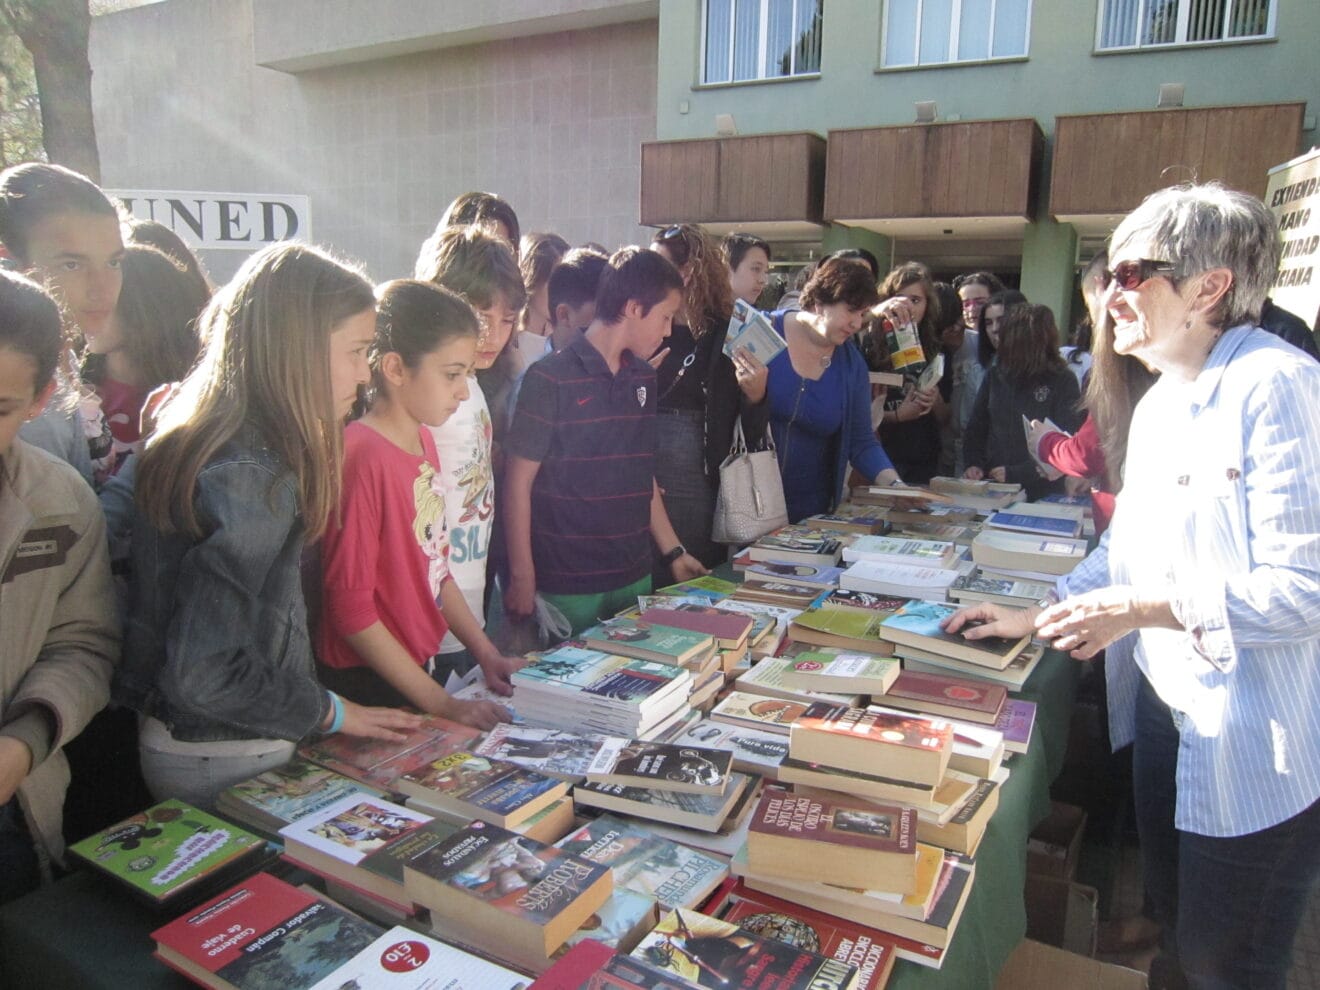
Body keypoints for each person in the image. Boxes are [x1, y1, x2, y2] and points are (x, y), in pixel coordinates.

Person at [946, 183, 1320, 990]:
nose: (1109, 295)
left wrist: (1146, 610)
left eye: (1132, 272)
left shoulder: (1280, 386)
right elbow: (1127, 547)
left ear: (1210, 286)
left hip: (1254, 737)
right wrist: (1032, 613)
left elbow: (1305, 587)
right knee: (1182, 940)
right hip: (1168, 708)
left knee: (1232, 962)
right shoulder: (1161, 401)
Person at [113, 243, 421, 811]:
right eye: (355, 351)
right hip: (226, 749)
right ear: (294, 348)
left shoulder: (205, 434)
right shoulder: (252, 472)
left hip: (193, 740)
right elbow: (204, 671)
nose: (363, 373)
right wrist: (332, 711)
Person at [318, 280, 516, 724]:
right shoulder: (362, 454)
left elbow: (436, 567)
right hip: (368, 682)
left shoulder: (424, 437)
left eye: (467, 375)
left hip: (412, 670)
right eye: (452, 374)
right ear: (394, 368)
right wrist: (443, 704)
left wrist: (486, 653)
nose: (463, 392)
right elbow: (351, 611)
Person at [503, 247, 702, 635]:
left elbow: (642, 475)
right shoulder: (549, 378)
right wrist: (522, 574)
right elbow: (517, 483)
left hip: (632, 576)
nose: (667, 331)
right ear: (632, 308)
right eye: (664, 317)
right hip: (566, 582)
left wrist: (674, 552)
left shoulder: (643, 377)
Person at [0, 271, 119, 903]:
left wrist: (25, 743)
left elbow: (84, 642)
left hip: (16, 816)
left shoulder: (60, 503)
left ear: (41, 398)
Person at [414, 224, 525, 680]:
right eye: (482, 317)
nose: (494, 335)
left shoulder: (473, 387)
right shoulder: (428, 399)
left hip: (469, 605)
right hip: (427, 622)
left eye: (506, 319)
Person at [650, 224, 768, 574]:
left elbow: (754, 426)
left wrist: (756, 393)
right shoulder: (645, 321)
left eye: (660, 264)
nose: (649, 273)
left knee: (689, 579)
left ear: (688, 271)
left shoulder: (733, 327)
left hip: (699, 475)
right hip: (642, 469)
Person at [0, 162, 121, 485]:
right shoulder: (20, 392)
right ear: (9, 262)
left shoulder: (59, 352)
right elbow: (56, 527)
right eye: (72, 264)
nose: (103, 287)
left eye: (113, 261)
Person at [1025, 250, 1157, 534]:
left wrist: (1045, 442)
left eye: (1091, 308)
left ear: (1103, 288)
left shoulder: (1125, 359)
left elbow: (1087, 452)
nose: (1096, 322)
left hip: (1127, 524)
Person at [765, 258, 899, 522]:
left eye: (862, 314)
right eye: (851, 310)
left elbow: (862, 442)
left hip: (811, 513)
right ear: (819, 302)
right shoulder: (765, 329)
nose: (857, 323)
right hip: (751, 501)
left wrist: (896, 486)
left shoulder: (852, 364)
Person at [963, 303, 1083, 498]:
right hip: (996, 487)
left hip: (1045, 489)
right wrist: (973, 463)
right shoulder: (996, 375)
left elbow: (1069, 440)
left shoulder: (1062, 380)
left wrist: (1019, 472)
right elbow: (977, 426)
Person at [866, 261, 945, 484]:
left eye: (916, 300)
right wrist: (898, 415)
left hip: (924, 457)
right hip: (881, 456)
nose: (907, 307)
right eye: (900, 298)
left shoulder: (936, 347)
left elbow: (947, 417)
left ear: (928, 304)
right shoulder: (868, 345)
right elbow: (858, 418)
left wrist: (934, 398)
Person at [516, 231, 570, 365]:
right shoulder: (506, 340)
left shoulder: (566, 338)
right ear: (532, 279)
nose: (562, 292)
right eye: (553, 283)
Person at [722, 232, 771, 306]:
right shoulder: (702, 313)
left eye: (765, 272)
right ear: (728, 269)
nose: (763, 280)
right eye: (756, 269)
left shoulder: (752, 314)